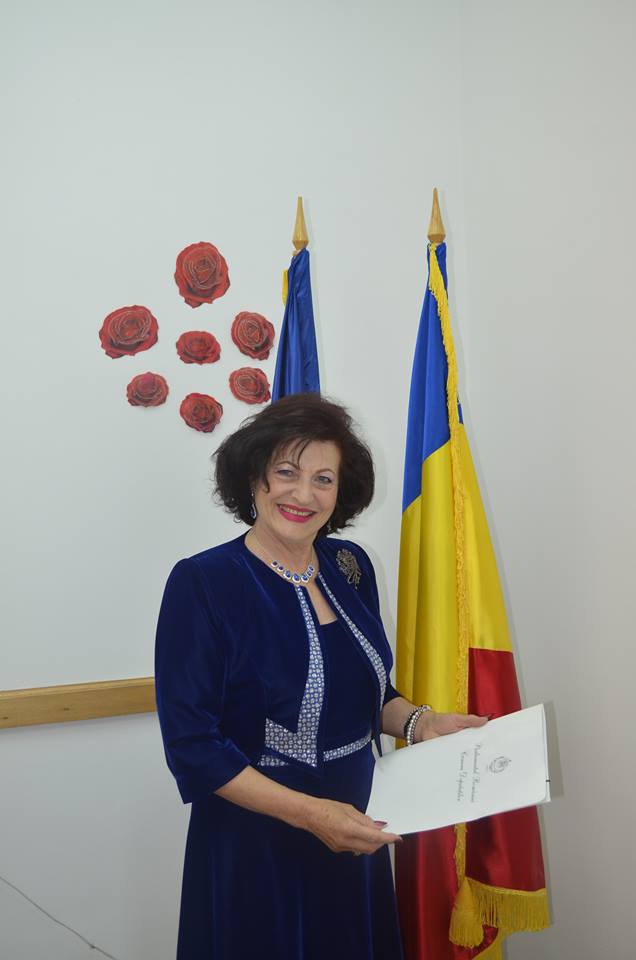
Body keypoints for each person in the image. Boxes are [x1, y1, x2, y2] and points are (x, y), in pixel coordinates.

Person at [155, 393, 487, 960]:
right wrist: (311, 815)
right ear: (254, 477)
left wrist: (421, 723)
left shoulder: (350, 566)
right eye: (287, 472)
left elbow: (367, 691)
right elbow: (193, 746)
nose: (303, 494)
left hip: (356, 827)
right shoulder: (203, 582)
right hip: (256, 843)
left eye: (323, 479)